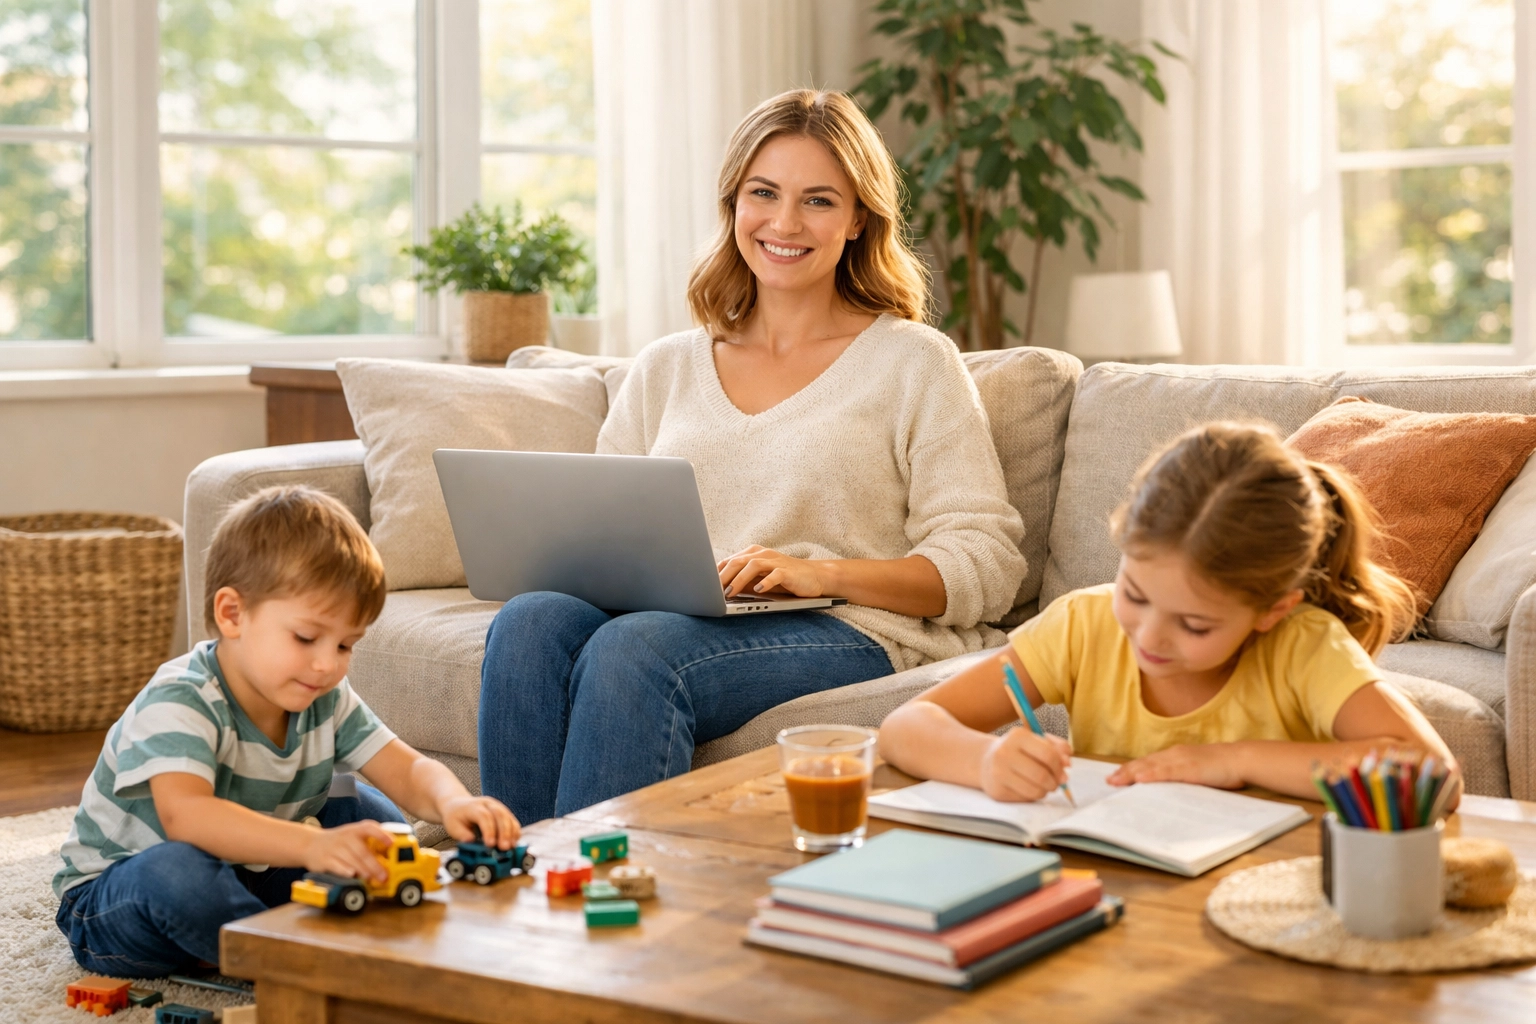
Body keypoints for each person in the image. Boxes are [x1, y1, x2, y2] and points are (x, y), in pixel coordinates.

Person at [479, 89, 1028, 824]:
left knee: (635, 650)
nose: (785, 222)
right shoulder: (668, 365)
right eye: (763, 193)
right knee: (530, 620)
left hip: (855, 629)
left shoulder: (913, 362)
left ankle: (598, 907)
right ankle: (507, 882)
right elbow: (601, 532)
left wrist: (819, 574)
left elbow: (986, 564)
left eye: (819, 200)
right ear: (733, 203)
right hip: (686, 613)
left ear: (859, 218)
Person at [53, 486, 519, 977]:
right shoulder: (182, 698)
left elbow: (408, 767)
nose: (326, 664)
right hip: (121, 894)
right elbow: (187, 819)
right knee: (178, 873)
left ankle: (262, 931)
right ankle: (285, 960)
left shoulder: (323, 696)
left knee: (369, 815)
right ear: (232, 614)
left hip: (246, 870)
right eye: (305, 637)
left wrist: (454, 803)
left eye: (345, 645)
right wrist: (313, 847)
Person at [879, 421, 1461, 804]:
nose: (1149, 635)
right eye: (1134, 592)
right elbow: (905, 729)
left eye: (1195, 624)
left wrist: (1234, 761)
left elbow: (1434, 778)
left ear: (1270, 610)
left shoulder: (1303, 645)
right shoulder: (1084, 625)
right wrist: (984, 760)